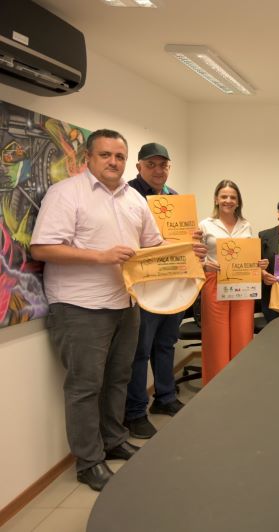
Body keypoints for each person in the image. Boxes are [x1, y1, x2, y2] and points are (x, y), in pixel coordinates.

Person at [31, 130, 159, 490]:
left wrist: (185, 251)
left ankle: (114, 440)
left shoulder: (135, 199)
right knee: (85, 386)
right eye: (105, 155)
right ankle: (89, 462)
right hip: (80, 306)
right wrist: (101, 256)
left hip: (126, 302)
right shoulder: (66, 193)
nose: (113, 162)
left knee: (118, 378)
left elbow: (153, 245)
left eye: (119, 156)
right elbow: (42, 248)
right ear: (87, 157)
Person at [123, 143, 185, 440]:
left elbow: (180, 240)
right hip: (144, 287)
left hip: (171, 284)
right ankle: (136, 412)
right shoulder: (127, 196)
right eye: (151, 165)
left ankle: (165, 397)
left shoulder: (175, 199)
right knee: (140, 351)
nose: (158, 170)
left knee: (166, 344)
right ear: (139, 167)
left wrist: (191, 238)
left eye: (163, 165)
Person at [199, 180, 266, 384]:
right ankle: (216, 387)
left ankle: (240, 383)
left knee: (242, 334)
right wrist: (205, 265)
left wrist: (259, 263)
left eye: (233, 197)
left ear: (238, 202)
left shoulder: (246, 225)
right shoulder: (205, 225)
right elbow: (195, 257)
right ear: (216, 199)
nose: (228, 200)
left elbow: (249, 256)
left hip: (243, 284)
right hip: (214, 282)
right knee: (217, 338)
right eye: (224, 196)